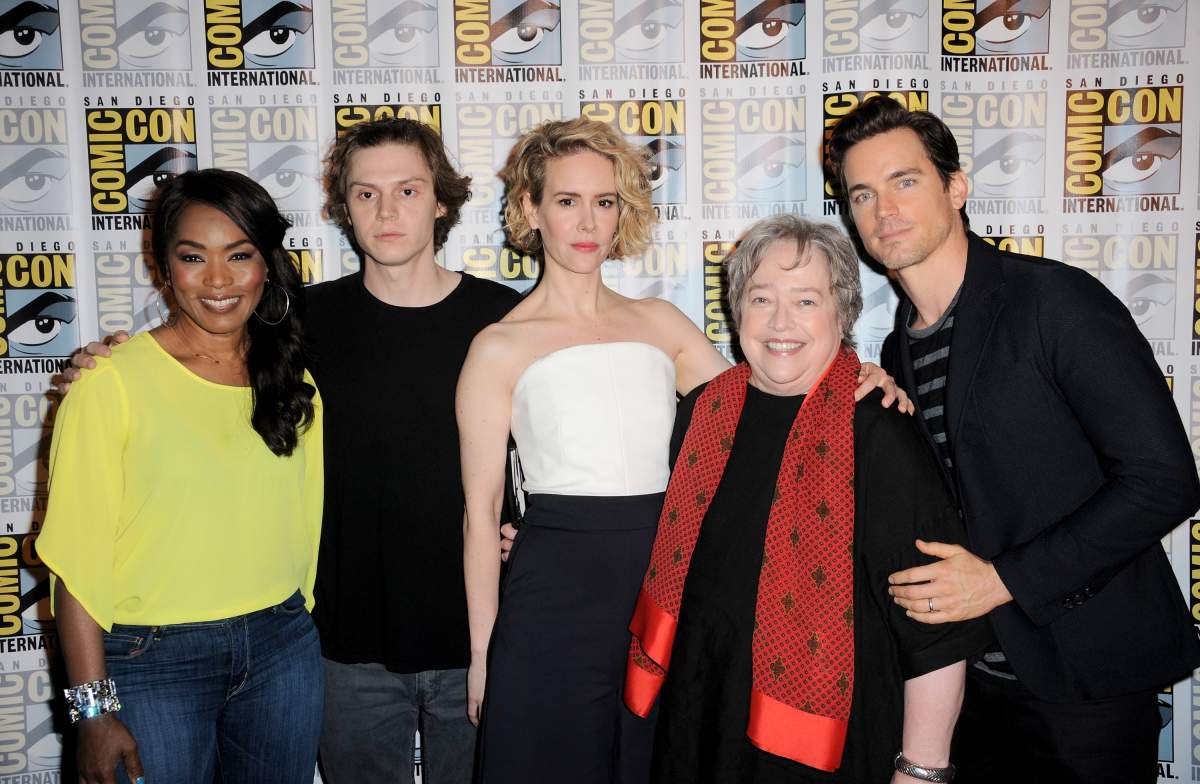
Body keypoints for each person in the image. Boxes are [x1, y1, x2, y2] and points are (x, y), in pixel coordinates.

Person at [63, 118, 521, 784]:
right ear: (342, 207)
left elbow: (571, 439)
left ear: (442, 199)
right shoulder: (295, 323)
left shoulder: (506, 317)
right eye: (365, 194)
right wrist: (94, 366)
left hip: (477, 642)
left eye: (408, 190)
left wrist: (532, 531)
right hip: (340, 652)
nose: (386, 211)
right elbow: (191, 359)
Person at [457, 118, 907, 784]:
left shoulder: (660, 324)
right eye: (566, 200)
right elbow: (480, 511)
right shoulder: (496, 347)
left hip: (663, 582)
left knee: (652, 760)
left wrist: (854, 374)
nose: (588, 221)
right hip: (550, 592)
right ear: (530, 208)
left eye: (605, 201)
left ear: (623, 212)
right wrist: (481, 653)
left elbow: (766, 396)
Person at [827, 96, 1200, 783]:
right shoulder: (895, 352)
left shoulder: (1052, 302)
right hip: (974, 696)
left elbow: (1164, 480)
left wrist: (1003, 581)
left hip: (1087, 688)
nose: (884, 210)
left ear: (957, 187)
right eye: (862, 194)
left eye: (905, 181)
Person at [625, 215, 992, 784]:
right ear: (736, 309)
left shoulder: (877, 432)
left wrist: (923, 770)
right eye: (761, 298)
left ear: (842, 313)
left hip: (827, 747)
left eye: (806, 301)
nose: (780, 323)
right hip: (701, 723)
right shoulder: (702, 415)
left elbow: (937, 629)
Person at [38, 169, 323, 784]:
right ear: (164, 267)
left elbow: (305, 523)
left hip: (283, 651)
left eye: (239, 256)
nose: (218, 281)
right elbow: (74, 565)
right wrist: (91, 713)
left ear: (266, 264)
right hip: (151, 662)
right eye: (193, 257)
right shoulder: (108, 383)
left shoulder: (295, 385)